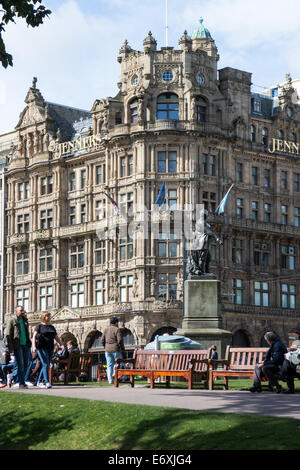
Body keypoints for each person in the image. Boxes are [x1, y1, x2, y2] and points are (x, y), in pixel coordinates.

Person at [32, 311, 63, 389]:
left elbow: (56, 337)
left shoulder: (51, 327)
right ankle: (47, 382)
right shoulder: (39, 326)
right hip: (41, 347)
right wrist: (33, 346)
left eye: (49, 316)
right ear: (43, 317)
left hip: (50, 347)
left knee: (46, 365)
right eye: (47, 316)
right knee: (45, 364)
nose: (48, 317)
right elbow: (34, 336)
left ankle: (39, 381)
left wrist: (61, 344)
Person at [5, 306, 32, 389]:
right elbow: (8, 334)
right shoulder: (12, 320)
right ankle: (21, 383)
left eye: (23, 310)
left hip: (26, 345)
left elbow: (26, 332)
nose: (22, 312)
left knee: (26, 365)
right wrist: (10, 347)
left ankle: (11, 376)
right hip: (17, 345)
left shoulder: (24, 320)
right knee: (20, 365)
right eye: (21, 310)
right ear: (16, 311)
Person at [102, 316, 125, 384]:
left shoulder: (106, 329)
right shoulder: (117, 329)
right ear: (116, 322)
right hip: (116, 349)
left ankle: (110, 380)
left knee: (109, 365)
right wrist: (121, 348)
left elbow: (102, 340)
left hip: (107, 350)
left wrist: (105, 346)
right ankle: (115, 376)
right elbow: (120, 340)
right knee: (118, 364)